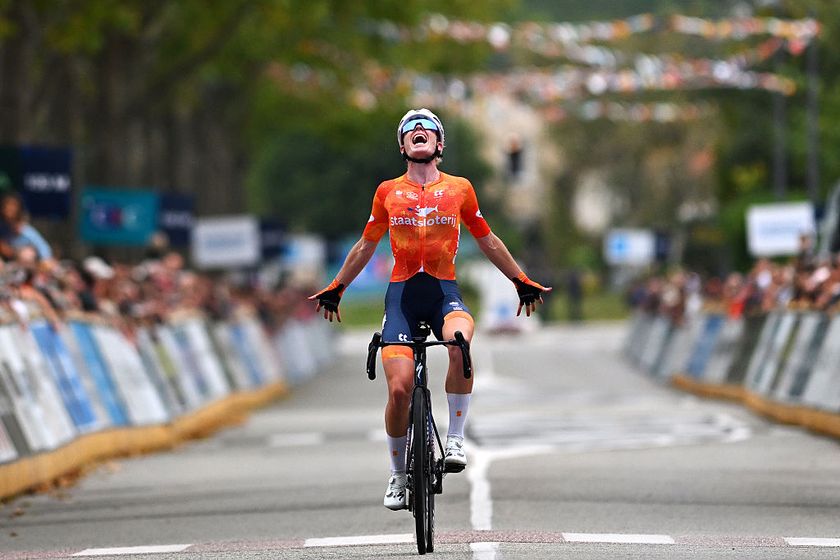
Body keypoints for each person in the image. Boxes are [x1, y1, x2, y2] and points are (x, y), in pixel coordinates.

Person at [309, 109, 551, 510]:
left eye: (427, 130)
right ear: (402, 146)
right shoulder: (388, 191)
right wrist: (337, 288)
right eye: (409, 130)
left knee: (459, 341)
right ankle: (398, 476)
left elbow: (487, 239)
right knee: (400, 388)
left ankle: (456, 437)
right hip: (402, 296)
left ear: (439, 145)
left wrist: (519, 279)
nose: (418, 132)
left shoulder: (460, 188)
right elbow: (366, 246)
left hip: (444, 292)